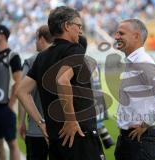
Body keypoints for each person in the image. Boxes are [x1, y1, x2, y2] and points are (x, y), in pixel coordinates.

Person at [16, 6, 104, 160]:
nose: (80, 31)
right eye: (78, 26)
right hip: (78, 136)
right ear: (67, 26)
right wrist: (71, 120)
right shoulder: (74, 49)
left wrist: (41, 123)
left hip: (55, 137)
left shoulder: (41, 57)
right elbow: (62, 80)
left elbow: (21, 91)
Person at [114, 19, 155, 160]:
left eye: (121, 33)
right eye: (117, 33)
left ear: (136, 36)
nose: (116, 37)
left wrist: (145, 123)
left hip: (140, 138)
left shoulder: (142, 62)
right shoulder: (133, 61)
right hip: (129, 138)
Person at [18, 25, 53, 160]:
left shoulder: (31, 61)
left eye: (36, 39)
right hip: (59, 130)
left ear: (41, 38)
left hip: (36, 129)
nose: (35, 42)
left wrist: (21, 122)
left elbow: (21, 93)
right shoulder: (62, 59)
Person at [0, 24, 21, 160]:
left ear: (1, 35)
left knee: (12, 143)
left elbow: (18, 81)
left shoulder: (13, 56)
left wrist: (11, 104)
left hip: (6, 106)